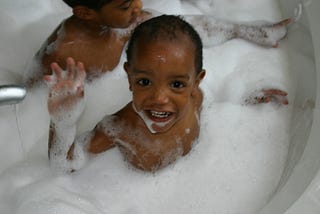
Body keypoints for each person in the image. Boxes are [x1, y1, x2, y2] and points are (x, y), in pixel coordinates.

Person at [44, 15, 288, 173]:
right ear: (129, 77)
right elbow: (63, 164)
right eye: (144, 81)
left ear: (196, 82)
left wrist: (246, 100)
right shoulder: (119, 127)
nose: (160, 97)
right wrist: (63, 121)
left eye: (178, 85)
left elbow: (216, 106)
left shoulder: (196, 98)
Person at [26, 0, 290, 85]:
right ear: (85, 13)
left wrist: (241, 30)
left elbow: (181, 27)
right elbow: (34, 97)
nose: (139, 5)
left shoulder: (126, 19)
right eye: (126, 4)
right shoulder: (62, 54)